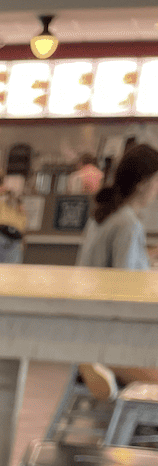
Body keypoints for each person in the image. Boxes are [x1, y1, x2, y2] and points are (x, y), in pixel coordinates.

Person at [75, 143, 158, 400]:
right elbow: (129, 295)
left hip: (87, 341)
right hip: (115, 349)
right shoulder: (128, 224)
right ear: (143, 183)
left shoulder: (103, 216)